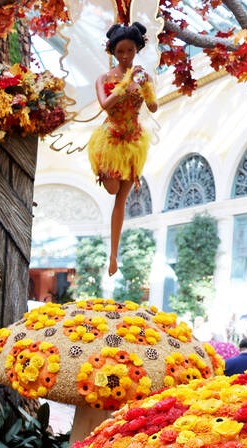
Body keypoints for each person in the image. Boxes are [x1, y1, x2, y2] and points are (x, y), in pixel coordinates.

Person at [88, 22, 157, 277]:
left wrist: (145, 86)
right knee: (113, 187)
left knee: (122, 199)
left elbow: (153, 107)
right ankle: (102, 171)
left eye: (130, 50)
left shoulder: (142, 76)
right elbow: (106, 104)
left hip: (133, 142)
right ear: (113, 52)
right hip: (110, 140)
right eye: (120, 52)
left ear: (137, 49)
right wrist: (125, 83)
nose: (126, 56)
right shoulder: (104, 78)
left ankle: (113, 256)